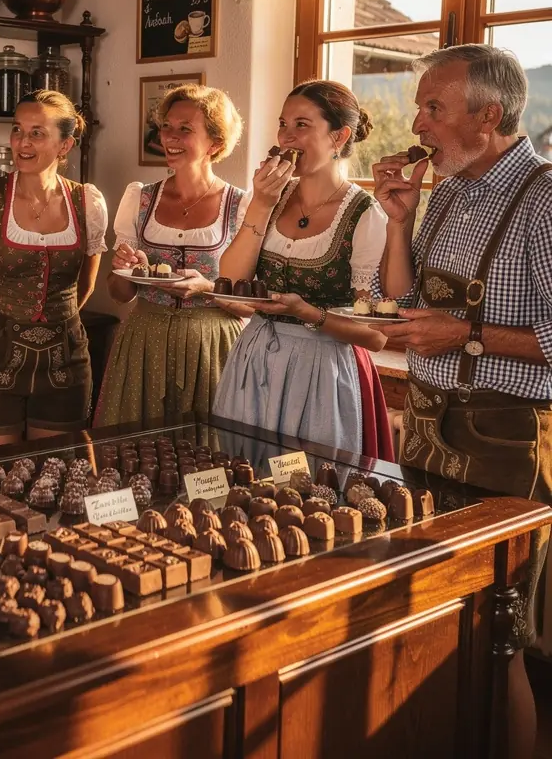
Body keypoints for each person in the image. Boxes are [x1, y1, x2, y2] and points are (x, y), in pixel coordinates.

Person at [372, 44, 552, 759]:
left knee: (494, 630)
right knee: (432, 616)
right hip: (427, 426)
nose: (417, 122)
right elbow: (402, 299)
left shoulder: (543, 197)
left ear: (489, 115)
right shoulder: (446, 191)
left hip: (505, 438)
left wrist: (468, 335)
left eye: (432, 107)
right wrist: (395, 219)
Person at [212, 81, 391, 455]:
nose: (286, 137)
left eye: (302, 125)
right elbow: (232, 281)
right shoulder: (267, 199)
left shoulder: (365, 214)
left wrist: (308, 313)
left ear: (338, 136)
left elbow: (376, 336)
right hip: (255, 359)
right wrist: (261, 203)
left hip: (324, 370)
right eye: (283, 124)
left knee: (309, 495)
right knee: (244, 480)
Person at [0, 90, 108, 447]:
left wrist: (57, 323)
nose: (22, 142)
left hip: (65, 360)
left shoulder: (88, 203)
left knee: (57, 474)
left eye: (38, 132)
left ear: (65, 145)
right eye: (18, 130)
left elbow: (85, 287)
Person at [95, 84, 246, 429]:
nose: (170, 137)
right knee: (139, 451)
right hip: (144, 339)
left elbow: (250, 304)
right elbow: (119, 295)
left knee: (210, 454)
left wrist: (207, 288)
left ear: (216, 143)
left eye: (185, 129)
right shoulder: (139, 198)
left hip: (213, 343)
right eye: (166, 126)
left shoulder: (241, 206)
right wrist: (123, 270)